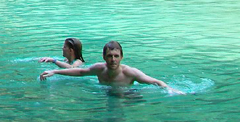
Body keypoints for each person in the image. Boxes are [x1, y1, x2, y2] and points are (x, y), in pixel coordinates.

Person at [40, 41, 184, 95]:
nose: (113, 60)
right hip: (106, 93)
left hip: (128, 95)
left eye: (116, 56)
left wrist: (170, 89)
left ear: (121, 57)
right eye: (109, 56)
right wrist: (55, 70)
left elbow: (155, 81)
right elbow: (80, 71)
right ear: (104, 57)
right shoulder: (99, 69)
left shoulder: (130, 72)